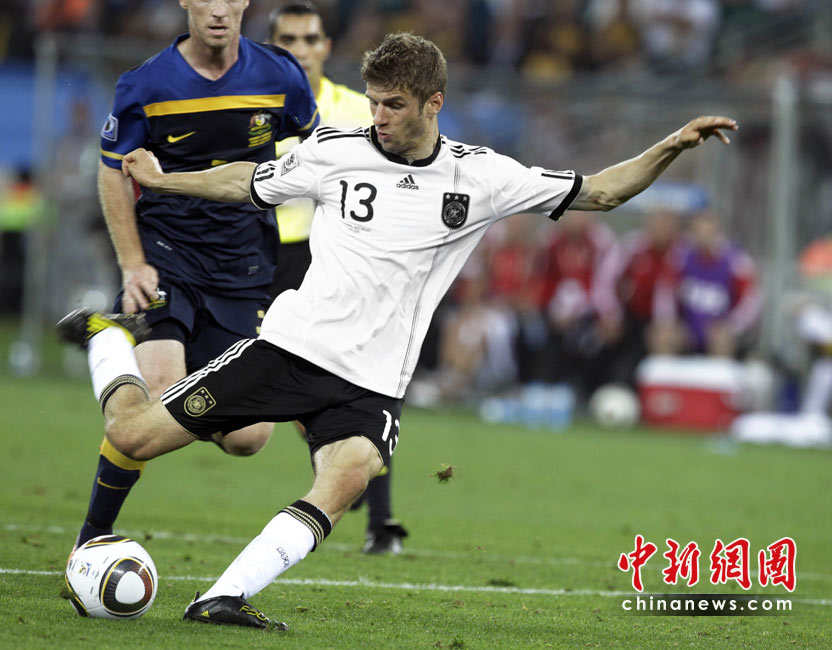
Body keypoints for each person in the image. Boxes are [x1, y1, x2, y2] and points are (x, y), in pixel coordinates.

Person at [57, 32, 737, 630]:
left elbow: (602, 191)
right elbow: (248, 182)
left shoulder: (481, 175)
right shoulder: (336, 152)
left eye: (394, 105)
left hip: (374, 381)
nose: (378, 117)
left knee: (348, 476)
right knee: (133, 436)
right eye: (374, 102)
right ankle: (106, 341)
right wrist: (167, 180)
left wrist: (670, 147)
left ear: (433, 103)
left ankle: (222, 598)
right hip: (290, 350)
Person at [69, 0, 319, 554]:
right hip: (168, 256)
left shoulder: (280, 76)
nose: (218, 9)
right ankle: (92, 538)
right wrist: (133, 262)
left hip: (244, 270)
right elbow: (113, 174)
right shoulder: (146, 84)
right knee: (162, 396)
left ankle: (107, 340)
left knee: (249, 438)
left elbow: (317, 156)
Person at [268, 0, 407, 555]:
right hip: (260, 259)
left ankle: (381, 521)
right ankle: (346, 484)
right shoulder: (254, 110)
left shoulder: (356, 111)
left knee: (359, 385)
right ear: (272, 47)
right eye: (288, 40)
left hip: (331, 261)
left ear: (326, 46)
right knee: (289, 402)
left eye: (310, 39)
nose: (301, 50)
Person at [649, 209, 761, 357]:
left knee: (722, 340)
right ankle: (664, 371)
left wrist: (733, 325)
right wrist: (667, 321)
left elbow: (751, 299)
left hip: (720, 328)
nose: (703, 238)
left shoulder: (735, 260)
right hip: (687, 328)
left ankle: (720, 371)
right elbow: (665, 291)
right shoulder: (680, 256)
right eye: (699, 233)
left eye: (707, 233)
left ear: (717, 232)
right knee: (663, 336)